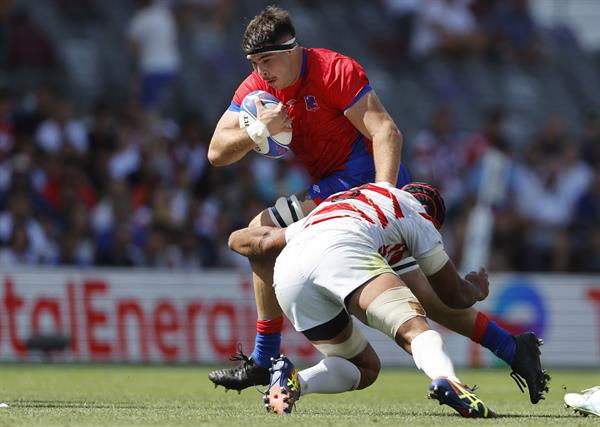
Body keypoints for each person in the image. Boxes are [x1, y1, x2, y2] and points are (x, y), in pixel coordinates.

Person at [207, 6, 549, 405]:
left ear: (292, 50)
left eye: (267, 61)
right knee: (430, 300)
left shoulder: (334, 70)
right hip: (330, 192)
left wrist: (383, 196)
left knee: (259, 232)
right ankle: (512, 347)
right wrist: (257, 131)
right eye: (254, 63)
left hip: (365, 186)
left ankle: (266, 358)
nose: (261, 72)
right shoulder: (257, 90)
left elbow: (385, 130)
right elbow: (216, 152)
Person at [228, 182, 495, 417]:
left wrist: (232, 237)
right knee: (415, 329)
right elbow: (454, 296)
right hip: (343, 250)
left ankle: (292, 382)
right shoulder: (417, 213)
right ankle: (448, 379)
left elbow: (261, 242)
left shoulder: (343, 202)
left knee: (364, 367)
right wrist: (476, 289)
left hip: (288, 271)